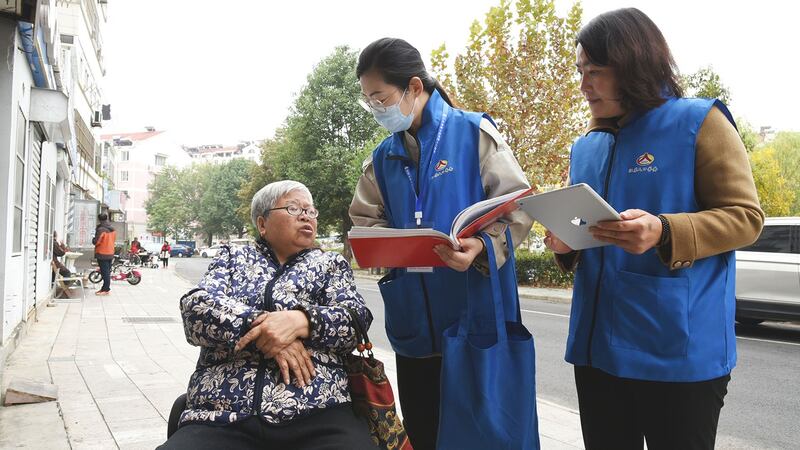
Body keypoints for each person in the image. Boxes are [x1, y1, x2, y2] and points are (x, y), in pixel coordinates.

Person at [543, 8, 764, 450]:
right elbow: (586, 233)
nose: (585, 85)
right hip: (597, 352)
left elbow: (746, 218)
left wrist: (664, 231)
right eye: (581, 71)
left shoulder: (700, 123)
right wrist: (565, 245)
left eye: (597, 71)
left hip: (678, 355)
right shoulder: (586, 146)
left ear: (634, 64)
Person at [349, 37, 533, 449]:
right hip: (414, 321)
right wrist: (384, 246)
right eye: (369, 101)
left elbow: (519, 207)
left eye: (380, 97)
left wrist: (483, 247)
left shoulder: (473, 134)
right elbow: (363, 221)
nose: (377, 109)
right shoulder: (383, 158)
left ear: (414, 87)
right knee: (426, 433)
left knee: (483, 435)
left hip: (473, 313)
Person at [159, 180, 375, 450]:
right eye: (294, 208)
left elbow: (356, 319)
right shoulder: (232, 257)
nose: (306, 215)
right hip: (223, 412)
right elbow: (196, 310)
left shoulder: (330, 264)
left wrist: (302, 320)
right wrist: (261, 325)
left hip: (318, 408)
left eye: (310, 210)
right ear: (262, 224)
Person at [92, 213, 116, 296]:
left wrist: (93, 239)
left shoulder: (101, 229)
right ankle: (104, 288)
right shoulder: (112, 229)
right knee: (107, 272)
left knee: (105, 273)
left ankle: (106, 289)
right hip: (110, 252)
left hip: (102, 253)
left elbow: (97, 241)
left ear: (99, 219)